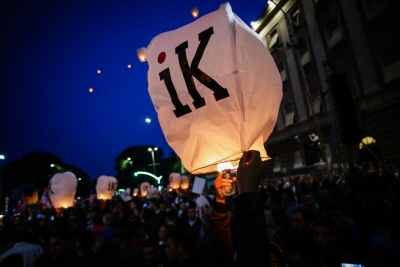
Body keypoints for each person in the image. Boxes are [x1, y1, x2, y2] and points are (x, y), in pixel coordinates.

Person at [211, 150, 271, 267]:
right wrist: (220, 203)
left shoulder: (270, 254)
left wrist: (247, 191)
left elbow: (253, 249)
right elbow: (223, 251)